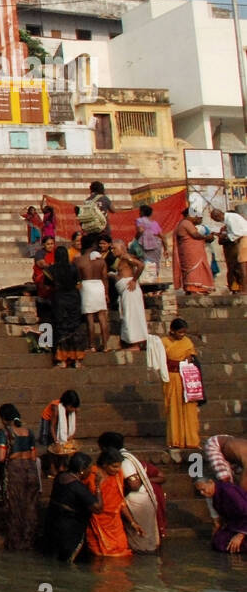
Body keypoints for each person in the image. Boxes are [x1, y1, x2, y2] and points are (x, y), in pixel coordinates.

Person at [98, 432, 163, 552]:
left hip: (137, 505)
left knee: (141, 543)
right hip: (143, 501)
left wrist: (114, 493)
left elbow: (134, 484)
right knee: (146, 542)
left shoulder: (124, 460)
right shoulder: (128, 455)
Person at [0, 404, 39, 550]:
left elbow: (1, 458)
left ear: (3, 419)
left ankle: (15, 545)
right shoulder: (29, 432)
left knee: (15, 508)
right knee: (30, 507)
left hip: (15, 471)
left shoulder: (4, 433)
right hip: (31, 471)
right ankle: (29, 542)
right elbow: (33, 456)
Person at [44, 452, 101, 562]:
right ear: (82, 470)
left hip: (53, 524)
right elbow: (98, 508)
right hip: (69, 530)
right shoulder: (77, 487)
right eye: (89, 468)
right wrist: (98, 486)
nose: (91, 471)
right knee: (70, 561)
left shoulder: (60, 477)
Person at [84, 448, 140, 558]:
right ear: (104, 465)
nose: (118, 469)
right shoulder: (91, 475)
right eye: (114, 466)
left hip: (115, 523)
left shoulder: (118, 475)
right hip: (96, 521)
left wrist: (132, 522)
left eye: (119, 466)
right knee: (100, 556)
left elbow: (120, 502)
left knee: (122, 553)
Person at [160, 318, 201, 450]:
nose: (182, 335)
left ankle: (191, 440)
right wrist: (176, 364)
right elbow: (161, 361)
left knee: (189, 409)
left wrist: (189, 359)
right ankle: (175, 440)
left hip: (186, 378)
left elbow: (192, 356)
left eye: (184, 332)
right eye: (180, 332)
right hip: (171, 378)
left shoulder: (187, 342)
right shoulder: (164, 342)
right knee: (173, 408)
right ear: (172, 330)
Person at [47, 246, 87, 368]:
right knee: (74, 327)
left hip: (59, 300)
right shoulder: (73, 268)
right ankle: (77, 360)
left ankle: (62, 360)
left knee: (61, 328)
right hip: (74, 299)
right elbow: (79, 285)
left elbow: (48, 286)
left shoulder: (51, 270)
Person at [193, 477, 247, 553]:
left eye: (203, 489)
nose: (202, 493)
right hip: (237, 525)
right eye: (200, 491)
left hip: (244, 525)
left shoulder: (228, 490)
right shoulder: (215, 495)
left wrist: (241, 535)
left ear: (210, 482)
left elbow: (245, 509)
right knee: (218, 541)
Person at [79, 235, 111, 352]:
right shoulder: (101, 260)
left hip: (86, 286)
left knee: (90, 317)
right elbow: (105, 278)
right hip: (99, 286)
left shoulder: (79, 260)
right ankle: (106, 345)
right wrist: (106, 293)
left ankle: (91, 345)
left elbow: (77, 277)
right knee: (102, 316)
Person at [113, 241, 147, 351]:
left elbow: (141, 265)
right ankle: (130, 342)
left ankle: (135, 344)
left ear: (122, 248)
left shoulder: (127, 257)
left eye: (115, 248)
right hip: (125, 291)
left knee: (132, 316)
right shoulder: (121, 259)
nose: (113, 250)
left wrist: (134, 280)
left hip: (130, 289)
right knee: (128, 316)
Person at [40, 389, 81, 476]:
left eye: (74, 407)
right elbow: (52, 426)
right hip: (48, 421)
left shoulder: (75, 409)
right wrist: (56, 441)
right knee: (51, 444)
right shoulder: (55, 407)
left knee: (65, 443)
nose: (73, 409)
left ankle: (61, 466)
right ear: (66, 404)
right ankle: (52, 467)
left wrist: (71, 435)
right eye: (71, 407)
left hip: (61, 422)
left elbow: (73, 426)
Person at [175, 208, 214, 294]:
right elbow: (195, 235)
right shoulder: (186, 223)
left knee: (197, 269)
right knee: (193, 269)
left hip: (192, 251)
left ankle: (198, 288)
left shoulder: (184, 223)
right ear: (190, 215)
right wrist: (207, 237)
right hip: (190, 252)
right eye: (195, 216)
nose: (196, 218)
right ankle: (193, 288)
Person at [210, 206, 247, 293]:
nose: (216, 221)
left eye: (215, 219)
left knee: (243, 268)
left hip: (243, 242)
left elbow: (236, 234)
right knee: (236, 269)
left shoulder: (230, 219)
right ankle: (238, 289)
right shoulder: (227, 222)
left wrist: (225, 236)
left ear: (217, 216)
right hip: (233, 251)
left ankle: (245, 290)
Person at [133, 203, 166, 280]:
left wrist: (136, 239)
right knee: (155, 264)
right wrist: (166, 249)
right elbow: (163, 236)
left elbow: (140, 230)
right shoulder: (155, 223)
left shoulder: (140, 220)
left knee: (143, 262)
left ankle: (146, 282)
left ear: (142, 212)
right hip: (156, 245)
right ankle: (155, 281)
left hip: (144, 244)